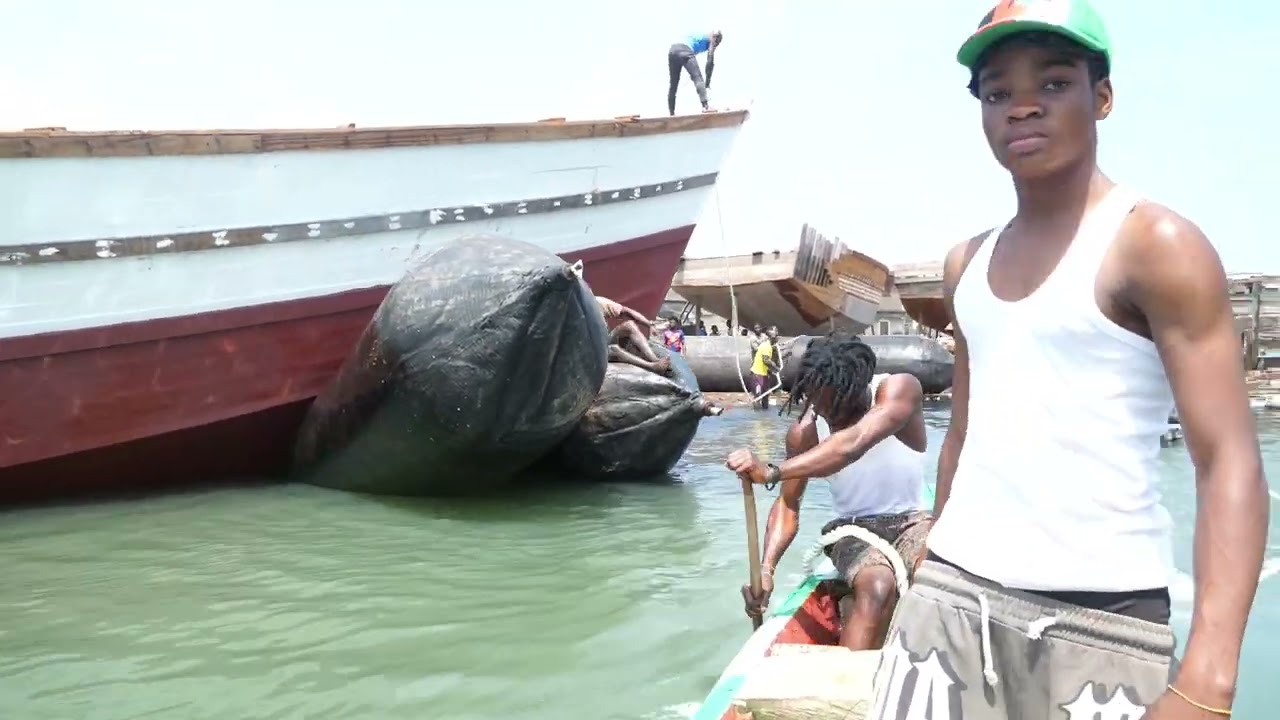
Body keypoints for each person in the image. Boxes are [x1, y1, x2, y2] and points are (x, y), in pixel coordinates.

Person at [870, 3, 1269, 719]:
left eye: (1053, 84)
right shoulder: (967, 263)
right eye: (997, 93)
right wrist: (931, 556)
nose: (1022, 106)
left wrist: (1209, 679)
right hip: (950, 605)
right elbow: (963, 431)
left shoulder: (1155, 245)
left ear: (1103, 98)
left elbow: (1229, 459)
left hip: (1101, 625)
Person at [726, 332, 931, 651]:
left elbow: (851, 444)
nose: (832, 420)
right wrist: (766, 570)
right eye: (823, 409)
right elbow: (788, 504)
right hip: (854, 528)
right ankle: (846, 686)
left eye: (841, 408)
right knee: (878, 586)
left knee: (937, 575)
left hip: (914, 521)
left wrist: (772, 471)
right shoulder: (805, 433)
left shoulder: (897, 390)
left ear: (861, 388)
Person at [596, 296, 671, 375]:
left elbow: (627, 311)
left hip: (604, 339)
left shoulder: (597, 302)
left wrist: (649, 325)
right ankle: (652, 367)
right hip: (594, 351)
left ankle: (654, 359)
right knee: (614, 349)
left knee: (629, 325)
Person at [667, 31, 721, 116]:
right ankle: (706, 107)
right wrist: (707, 83)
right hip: (684, 49)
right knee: (698, 78)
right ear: (715, 39)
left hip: (673, 50)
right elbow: (709, 63)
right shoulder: (712, 38)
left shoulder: (700, 37)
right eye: (717, 43)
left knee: (673, 84)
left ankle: (671, 113)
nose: (716, 46)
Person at [748, 326, 779, 409]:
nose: (777, 338)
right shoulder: (766, 346)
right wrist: (776, 368)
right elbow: (766, 361)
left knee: (765, 396)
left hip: (763, 374)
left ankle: (765, 418)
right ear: (772, 337)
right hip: (757, 375)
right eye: (776, 336)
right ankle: (757, 418)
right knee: (758, 397)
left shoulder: (768, 346)